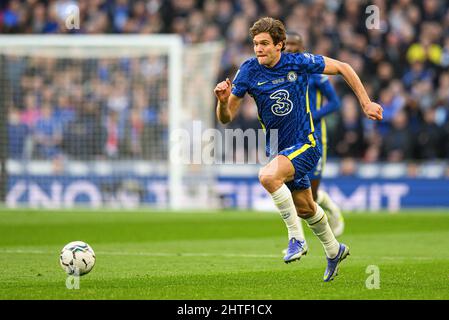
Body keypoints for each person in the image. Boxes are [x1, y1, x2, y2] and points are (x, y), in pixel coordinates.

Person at [214, 17, 383, 282]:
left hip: (306, 143)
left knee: (268, 177)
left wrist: (366, 103)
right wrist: (223, 102)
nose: (258, 49)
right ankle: (334, 249)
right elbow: (226, 118)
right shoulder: (247, 71)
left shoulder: (298, 62)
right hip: (278, 149)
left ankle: (296, 239)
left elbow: (343, 66)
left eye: (265, 44)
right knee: (306, 208)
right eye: (256, 43)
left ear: (280, 45)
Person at [282, 31, 345, 253]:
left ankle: (329, 207)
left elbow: (335, 103)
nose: (289, 48)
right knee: (292, 191)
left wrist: (311, 116)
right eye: (286, 44)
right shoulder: (280, 69)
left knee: (313, 195)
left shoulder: (314, 70)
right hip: (291, 136)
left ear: (302, 47)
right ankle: (296, 239)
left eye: (294, 45)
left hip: (315, 136)